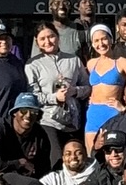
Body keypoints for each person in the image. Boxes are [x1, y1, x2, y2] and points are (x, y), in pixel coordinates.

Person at [25, 22, 89, 161]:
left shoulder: (73, 60)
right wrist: (55, 97)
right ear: (37, 42)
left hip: (73, 120)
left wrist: (75, 91)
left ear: (58, 37)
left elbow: (87, 87)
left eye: (51, 36)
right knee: (57, 158)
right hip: (48, 120)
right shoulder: (32, 65)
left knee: (76, 159)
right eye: (42, 39)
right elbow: (32, 96)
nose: (48, 41)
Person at [81, 23, 126, 151]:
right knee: (92, 153)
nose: (101, 43)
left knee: (113, 152)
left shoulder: (121, 62)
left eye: (104, 39)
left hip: (112, 112)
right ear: (92, 44)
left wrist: (124, 106)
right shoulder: (91, 64)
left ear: (111, 40)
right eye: (96, 41)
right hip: (93, 112)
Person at [0, 94, 53, 178]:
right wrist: (18, 163)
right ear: (15, 113)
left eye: (33, 111)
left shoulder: (40, 135)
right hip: (1, 176)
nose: (28, 115)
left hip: (29, 180)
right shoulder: (0, 129)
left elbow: (44, 169)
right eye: (23, 111)